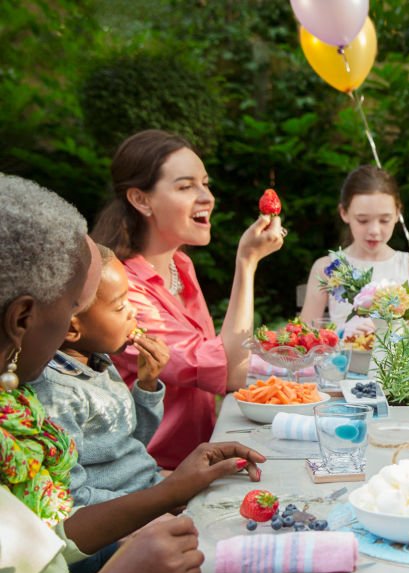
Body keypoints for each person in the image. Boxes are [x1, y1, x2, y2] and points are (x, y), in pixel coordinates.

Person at [0, 175, 264, 573]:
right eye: (72, 305)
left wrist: (173, 487)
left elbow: (50, 536)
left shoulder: (16, 413)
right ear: (23, 318)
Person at [92, 129, 284, 469]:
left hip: (200, 455)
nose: (207, 197)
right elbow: (230, 374)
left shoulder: (181, 264)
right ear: (141, 199)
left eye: (205, 183)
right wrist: (247, 263)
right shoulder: (124, 291)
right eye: (185, 186)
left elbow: (220, 359)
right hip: (153, 477)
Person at [30, 246, 171, 506]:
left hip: (148, 488)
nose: (133, 313)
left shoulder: (97, 361)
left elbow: (128, 443)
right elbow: (74, 497)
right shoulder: (57, 395)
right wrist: (154, 502)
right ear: (72, 328)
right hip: (120, 517)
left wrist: (148, 386)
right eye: (119, 307)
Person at [300, 165, 409, 333]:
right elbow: (306, 333)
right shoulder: (326, 268)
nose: (374, 231)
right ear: (344, 213)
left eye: (384, 220)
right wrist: (342, 336)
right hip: (343, 357)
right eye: (362, 220)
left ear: (398, 213)